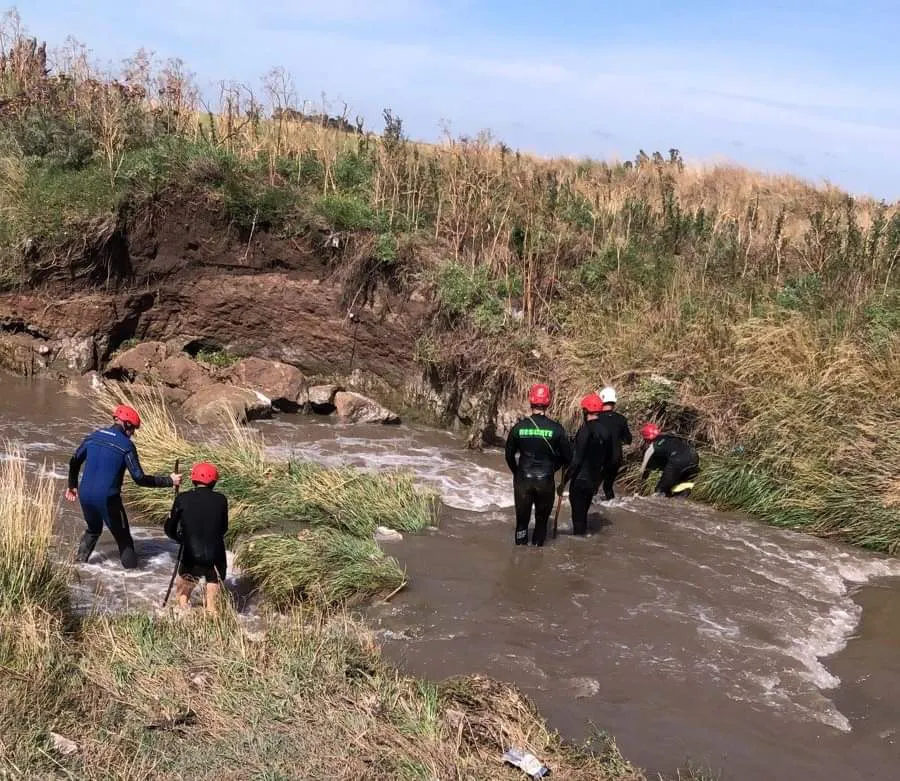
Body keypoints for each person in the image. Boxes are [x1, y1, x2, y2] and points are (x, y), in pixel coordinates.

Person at [66, 404, 181, 569]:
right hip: (107, 498)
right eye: (133, 428)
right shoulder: (126, 446)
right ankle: (132, 577)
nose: (133, 433)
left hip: (84, 494)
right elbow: (139, 478)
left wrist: (72, 485)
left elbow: (74, 460)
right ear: (126, 424)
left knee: (93, 529)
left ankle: (77, 567)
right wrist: (169, 481)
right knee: (124, 540)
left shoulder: (93, 436)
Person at [505, 384, 572, 546]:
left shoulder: (518, 428)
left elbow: (508, 455)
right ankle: (537, 555)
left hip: (523, 480)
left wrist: (518, 472)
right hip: (545, 480)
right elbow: (568, 457)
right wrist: (553, 468)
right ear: (548, 402)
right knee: (541, 522)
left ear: (531, 401)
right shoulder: (557, 430)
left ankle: (519, 556)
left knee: (522, 522)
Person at [164, 461, 229, 615]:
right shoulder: (221, 499)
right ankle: (212, 621)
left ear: (193, 480)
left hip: (191, 553)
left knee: (182, 599)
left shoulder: (182, 498)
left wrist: (180, 538)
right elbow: (224, 528)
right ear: (214, 481)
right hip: (216, 554)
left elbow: (169, 528)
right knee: (212, 605)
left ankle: (183, 617)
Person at [562, 393, 609, 536]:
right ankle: (582, 541)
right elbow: (608, 459)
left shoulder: (585, 430)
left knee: (578, 517)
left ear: (585, 411)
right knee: (583, 513)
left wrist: (564, 481)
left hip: (580, 479)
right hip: (593, 479)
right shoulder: (605, 432)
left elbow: (577, 460)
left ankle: (578, 547)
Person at [639, 423, 700, 497]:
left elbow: (643, 468)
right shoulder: (669, 436)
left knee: (660, 490)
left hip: (678, 460)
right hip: (694, 456)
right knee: (682, 484)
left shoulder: (652, 447)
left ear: (647, 439)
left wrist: (640, 484)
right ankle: (682, 497)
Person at [594, 386, 632, 500]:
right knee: (608, 487)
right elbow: (628, 440)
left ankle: (592, 513)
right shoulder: (622, 419)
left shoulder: (596, 418)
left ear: (601, 400)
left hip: (600, 458)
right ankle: (611, 503)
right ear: (614, 401)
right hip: (616, 458)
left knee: (593, 487)